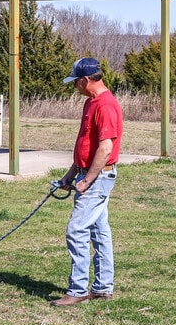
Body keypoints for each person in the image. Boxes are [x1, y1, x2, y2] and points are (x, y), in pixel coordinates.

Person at [50, 58, 124, 307]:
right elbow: (87, 146)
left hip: (98, 177)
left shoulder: (105, 106)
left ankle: (78, 289)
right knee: (99, 231)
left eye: (75, 82)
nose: (74, 87)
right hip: (87, 174)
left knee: (76, 230)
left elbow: (105, 147)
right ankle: (103, 288)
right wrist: (71, 175)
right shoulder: (90, 103)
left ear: (85, 80)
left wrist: (87, 180)